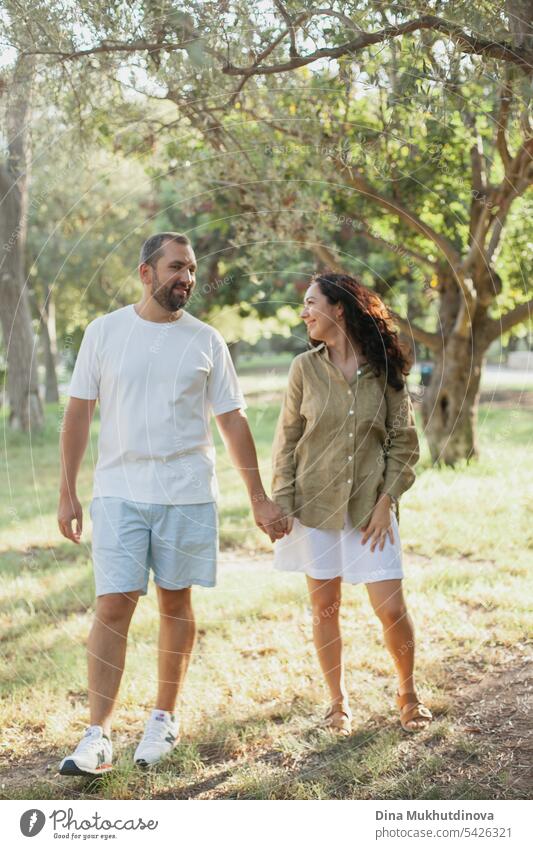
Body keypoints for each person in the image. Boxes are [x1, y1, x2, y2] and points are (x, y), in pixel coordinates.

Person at [57, 232, 287, 775]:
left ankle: (164, 718)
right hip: (119, 491)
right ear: (146, 272)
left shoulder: (207, 340)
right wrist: (67, 490)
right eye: (176, 267)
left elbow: (232, 420)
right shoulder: (105, 332)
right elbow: (79, 413)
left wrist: (258, 497)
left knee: (176, 602)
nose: (187, 277)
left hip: (187, 494)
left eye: (191, 269)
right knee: (113, 605)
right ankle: (97, 735)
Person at [272, 272, 432, 736]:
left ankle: (408, 693)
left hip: (369, 510)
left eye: (310, 303)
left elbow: (404, 443)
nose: (304, 313)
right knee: (325, 606)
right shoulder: (303, 368)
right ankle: (336, 704)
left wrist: (387, 502)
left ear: (337, 308)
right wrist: (281, 501)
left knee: (391, 609)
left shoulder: (384, 368)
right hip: (314, 507)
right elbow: (287, 440)